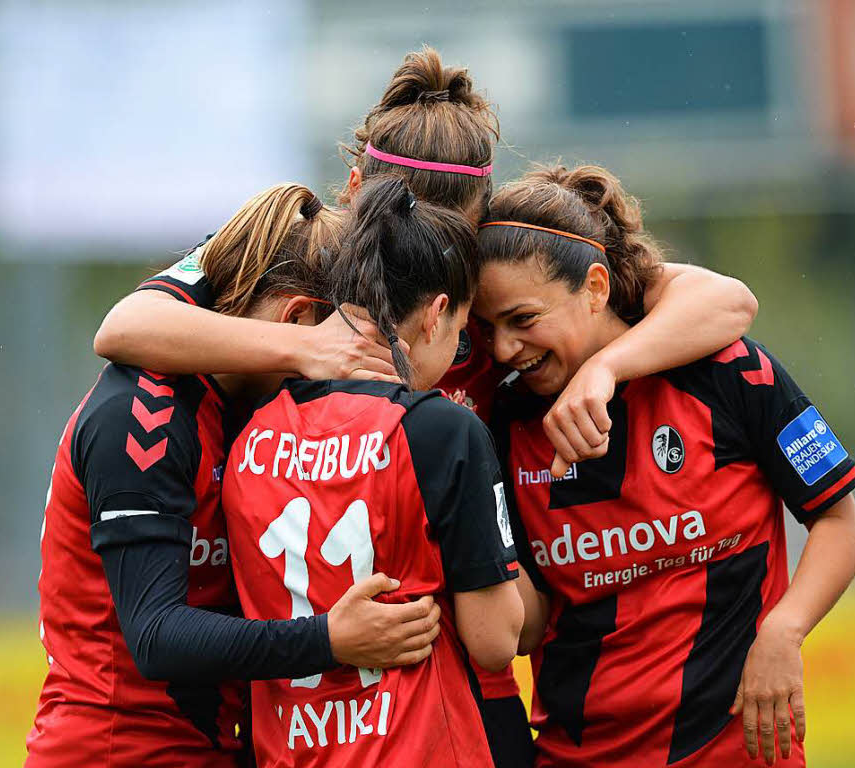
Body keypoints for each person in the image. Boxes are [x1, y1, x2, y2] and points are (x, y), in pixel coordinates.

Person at [88, 49, 758, 768]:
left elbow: (726, 301)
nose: (422, 243)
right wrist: (303, 353)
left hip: (430, 695)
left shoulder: (497, 279)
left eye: (453, 236)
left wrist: (606, 368)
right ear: (355, 188)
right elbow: (122, 329)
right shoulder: (304, 258)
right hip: (363, 690)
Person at [26, 183, 442, 768]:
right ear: (297, 320)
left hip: (211, 747)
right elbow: (155, 635)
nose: (339, 385)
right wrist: (328, 640)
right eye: (343, 355)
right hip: (116, 752)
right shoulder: (144, 416)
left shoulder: (241, 413)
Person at [473, 164, 855, 768]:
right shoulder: (503, 423)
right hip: (576, 755)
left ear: (597, 288)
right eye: (490, 327)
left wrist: (783, 631)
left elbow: (842, 525)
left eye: (523, 320)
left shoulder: (731, 373)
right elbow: (528, 626)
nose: (504, 348)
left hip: (737, 750)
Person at [221, 175, 523, 767]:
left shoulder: (250, 435)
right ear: (436, 316)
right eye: (461, 334)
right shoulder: (443, 431)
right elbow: (495, 642)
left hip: (291, 751)